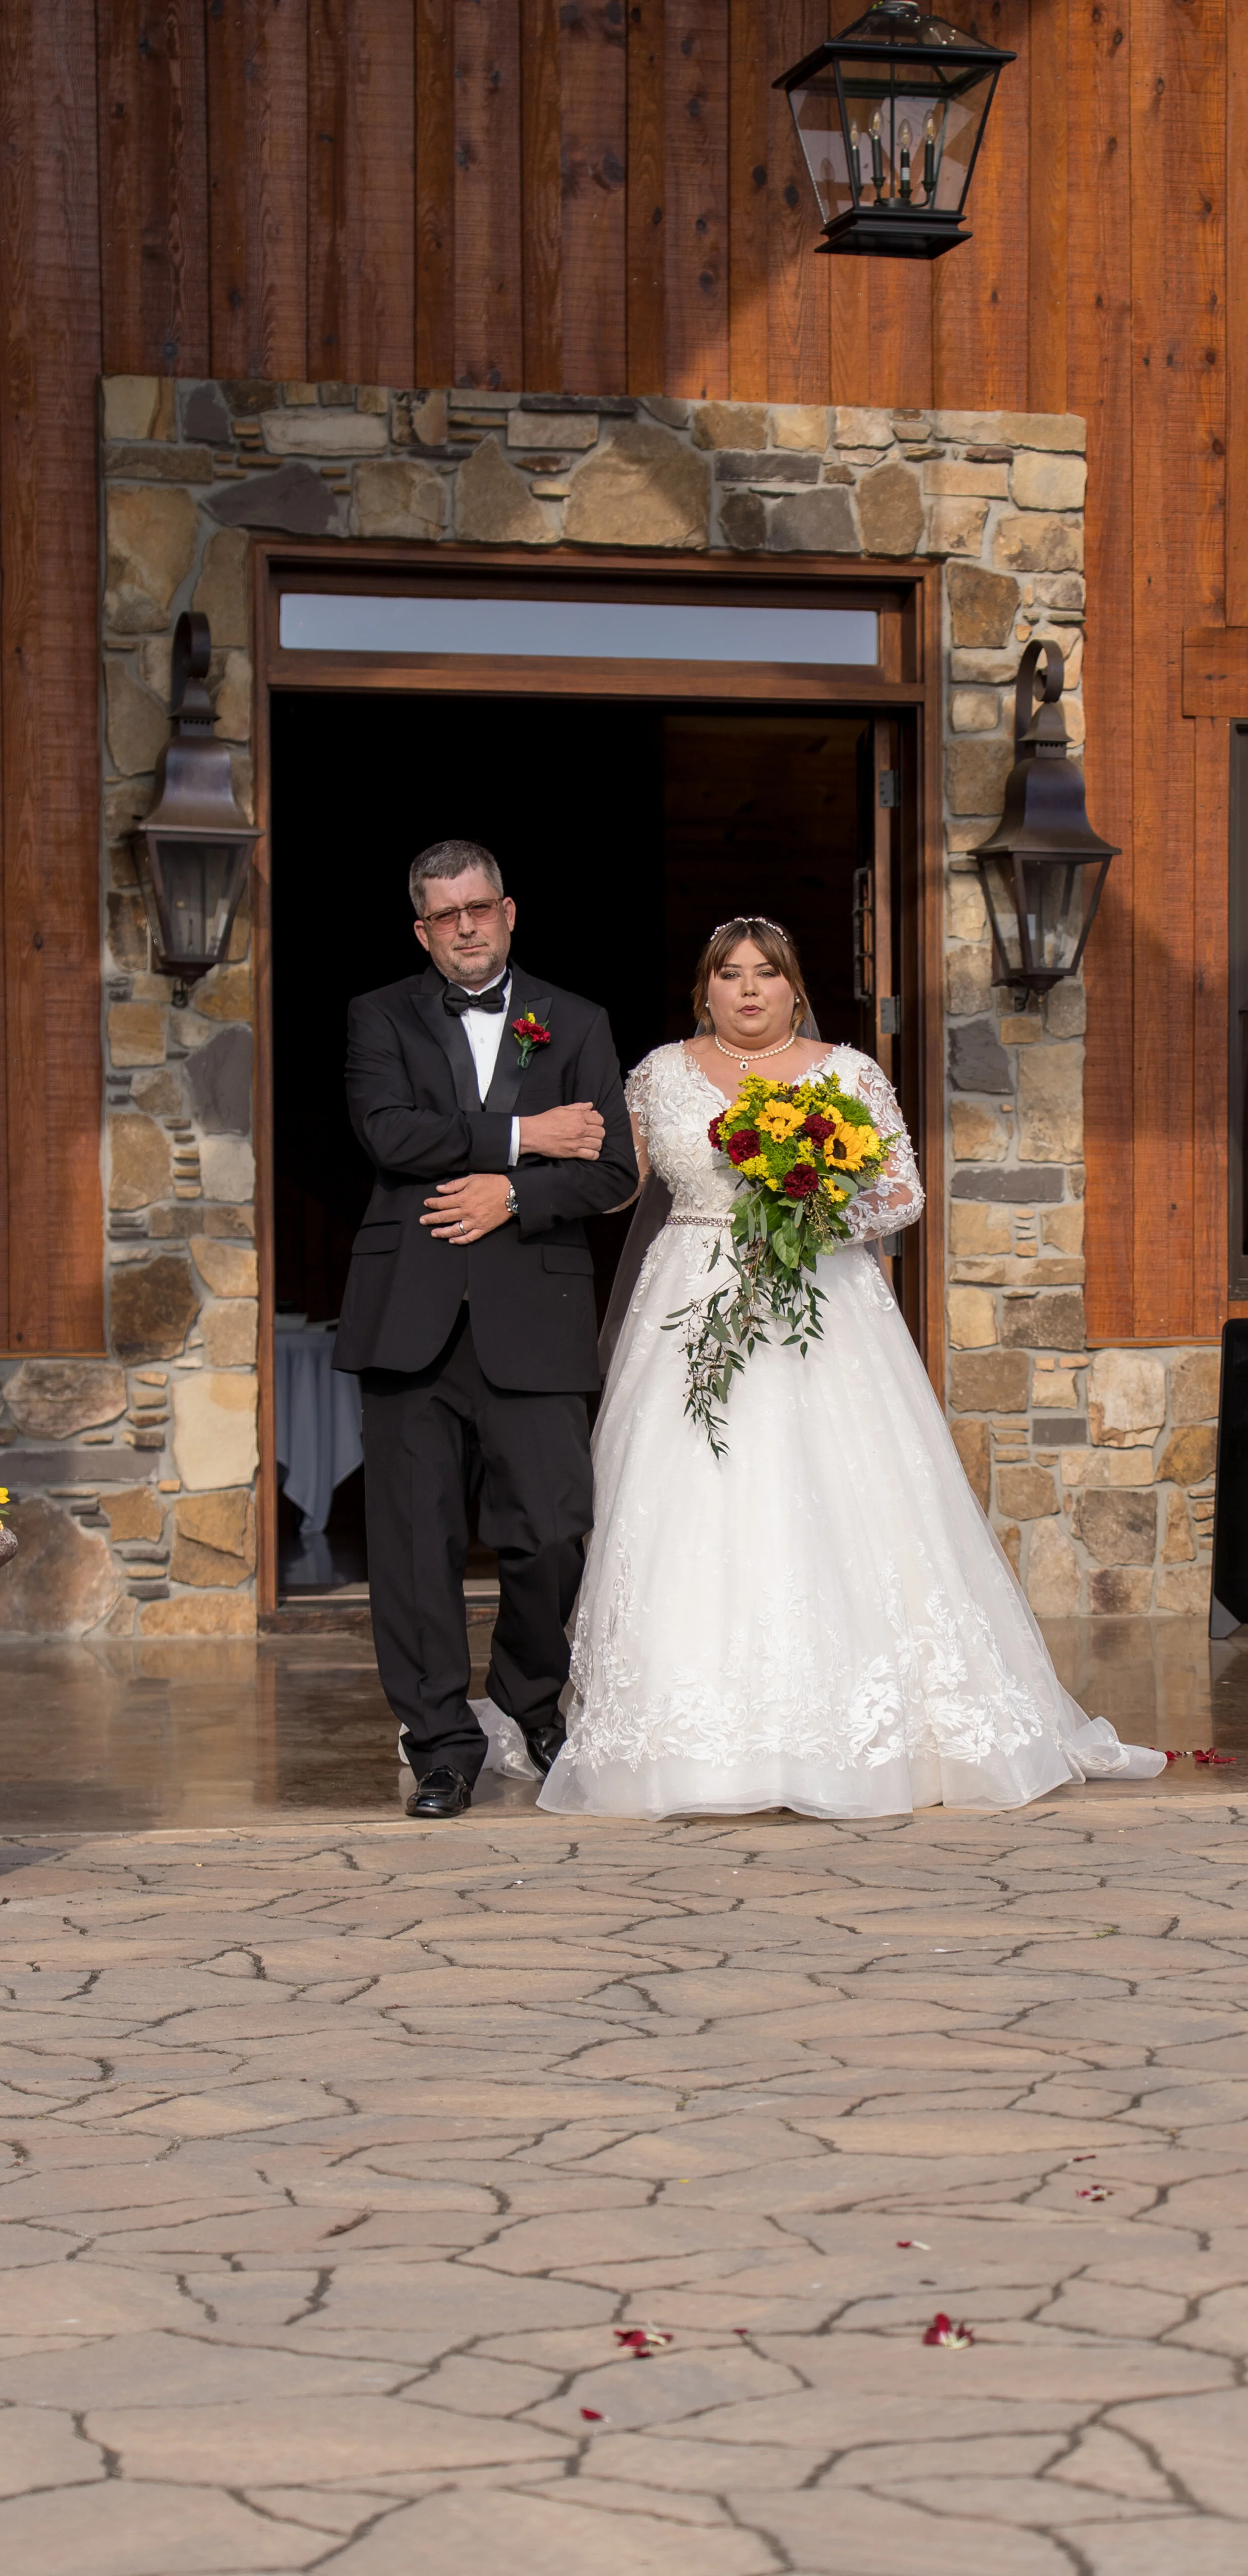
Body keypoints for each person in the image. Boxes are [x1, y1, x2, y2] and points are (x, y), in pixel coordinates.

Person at [539, 916, 1165, 1820]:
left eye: (766, 973)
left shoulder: (846, 1073)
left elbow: (901, 1193)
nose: (748, 990)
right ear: (702, 991)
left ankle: (862, 1732)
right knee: (682, 1498)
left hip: (819, 1301)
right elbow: (617, 1182)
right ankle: (686, 1738)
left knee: (843, 1495)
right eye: (729, 975)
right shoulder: (659, 1073)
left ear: (795, 988)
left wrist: (811, 1201)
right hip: (688, 1301)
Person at [333, 839, 636, 1818]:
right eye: (444, 913)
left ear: (510, 913)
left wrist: (512, 1193)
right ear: (423, 930)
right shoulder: (378, 1015)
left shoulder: (578, 1022)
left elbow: (610, 1170)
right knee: (414, 1545)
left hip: (534, 1314)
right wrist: (525, 1135)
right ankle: (441, 1744)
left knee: (552, 1530)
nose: (466, 925)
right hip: (408, 1315)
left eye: (480, 907)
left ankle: (528, 1699)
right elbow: (390, 1132)